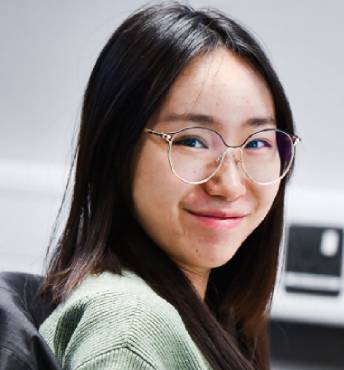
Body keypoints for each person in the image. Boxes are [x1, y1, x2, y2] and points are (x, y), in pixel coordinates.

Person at [39, 2, 300, 370]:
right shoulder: (129, 332)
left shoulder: (212, 312)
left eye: (258, 142)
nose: (228, 184)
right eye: (191, 141)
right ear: (117, 149)